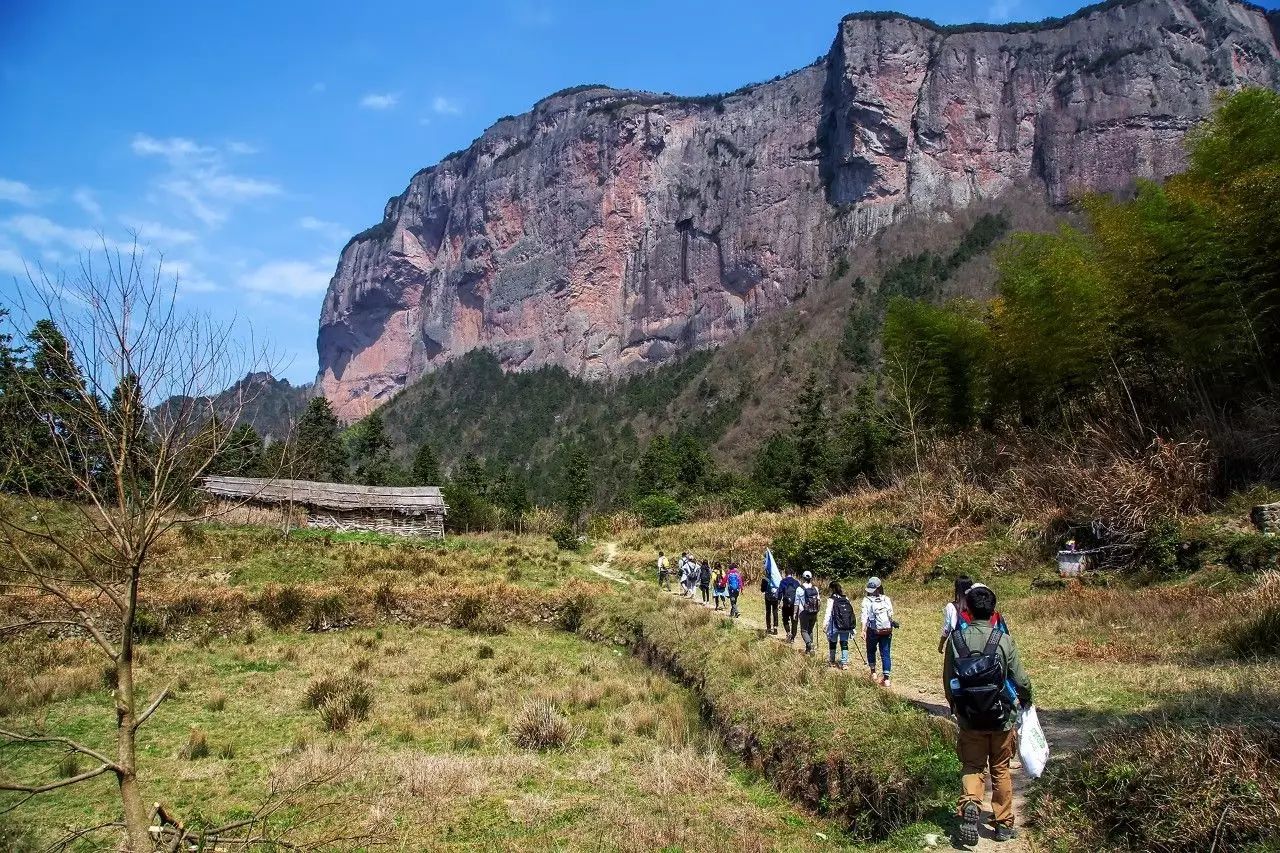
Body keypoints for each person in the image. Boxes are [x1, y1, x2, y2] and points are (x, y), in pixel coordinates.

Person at [944, 584, 1033, 846]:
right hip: (1001, 716)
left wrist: (956, 707)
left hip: (970, 717)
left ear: (967, 611)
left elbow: (949, 679)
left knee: (972, 765)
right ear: (993, 611)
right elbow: (1021, 678)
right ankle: (1003, 824)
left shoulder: (955, 641)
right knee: (1001, 769)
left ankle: (971, 801)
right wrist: (1027, 699)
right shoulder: (1002, 639)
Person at [861, 577, 896, 687]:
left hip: (873, 630)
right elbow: (890, 614)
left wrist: (863, 630)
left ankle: (873, 673)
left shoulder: (866, 600)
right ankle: (886, 679)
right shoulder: (886, 599)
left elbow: (864, 616)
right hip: (886, 630)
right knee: (885, 653)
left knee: (871, 650)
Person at [822, 581, 856, 669]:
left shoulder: (831, 599)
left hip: (835, 625)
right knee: (844, 642)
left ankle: (832, 661)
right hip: (845, 624)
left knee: (833, 642)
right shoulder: (845, 598)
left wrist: (825, 624)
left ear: (832, 589)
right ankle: (844, 662)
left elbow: (828, 613)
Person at [939, 576, 975, 653]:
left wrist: (941, 643)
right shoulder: (975, 605)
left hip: (957, 643)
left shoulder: (951, 606)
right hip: (974, 641)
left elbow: (947, 629)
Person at [796, 571, 820, 654]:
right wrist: (817, 611)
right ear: (811, 578)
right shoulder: (815, 588)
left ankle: (809, 644)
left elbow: (796, 603)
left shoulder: (799, 588)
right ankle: (809, 650)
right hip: (814, 612)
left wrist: (794, 614)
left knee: (804, 631)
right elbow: (818, 601)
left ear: (803, 578)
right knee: (810, 630)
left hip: (804, 612)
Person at [778, 567, 800, 642]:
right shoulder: (796, 582)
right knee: (794, 621)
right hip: (795, 604)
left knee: (785, 619)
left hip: (786, 604)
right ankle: (793, 637)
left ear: (785, 573)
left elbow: (780, 593)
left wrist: (778, 602)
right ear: (792, 574)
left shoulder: (783, 582)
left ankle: (788, 632)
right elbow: (799, 594)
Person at [761, 567, 780, 634]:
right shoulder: (776, 578)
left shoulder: (765, 579)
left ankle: (768, 628)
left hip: (768, 597)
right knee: (775, 612)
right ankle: (775, 629)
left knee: (768, 612)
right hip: (775, 597)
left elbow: (762, 590)